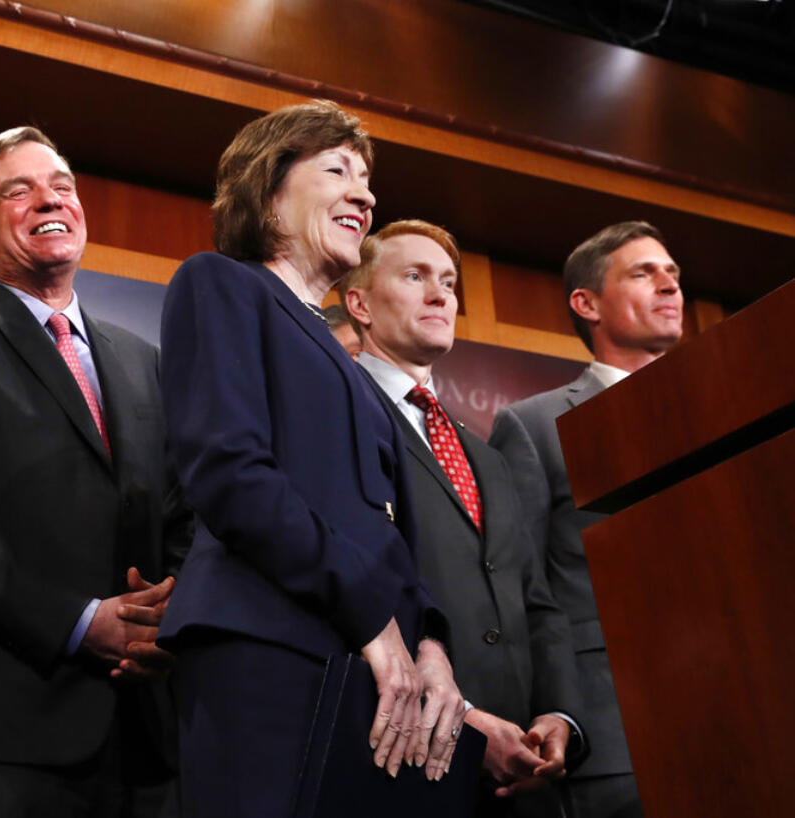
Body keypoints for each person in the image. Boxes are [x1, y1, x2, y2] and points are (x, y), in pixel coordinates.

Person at [156, 100, 465, 818]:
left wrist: (430, 647)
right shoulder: (220, 284)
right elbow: (232, 476)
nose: (364, 193)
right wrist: (371, 619)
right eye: (336, 170)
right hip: (265, 654)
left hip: (373, 671)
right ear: (268, 191)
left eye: (366, 179)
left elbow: (392, 540)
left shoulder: (351, 368)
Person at [0, 126, 192, 818]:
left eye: (62, 186)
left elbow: (183, 514)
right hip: (3, 731)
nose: (49, 200)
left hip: (144, 736)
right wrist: (76, 621)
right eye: (20, 191)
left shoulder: (141, 357)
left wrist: (171, 620)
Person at [343, 220, 585, 817]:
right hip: (406, 760)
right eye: (415, 276)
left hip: (524, 778)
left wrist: (558, 717)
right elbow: (347, 585)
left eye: (449, 283)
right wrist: (469, 724)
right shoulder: (341, 416)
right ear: (360, 303)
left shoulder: (487, 454)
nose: (440, 295)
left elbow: (536, 600)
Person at [489, 221, 683, 818]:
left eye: (673, 274)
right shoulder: (536, 424)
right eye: (644, 272)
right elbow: (524, 584)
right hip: (615, 724)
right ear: (586, 302)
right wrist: (555, 712)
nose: (669, 285)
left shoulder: (721, 407)